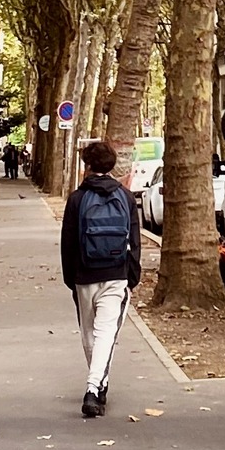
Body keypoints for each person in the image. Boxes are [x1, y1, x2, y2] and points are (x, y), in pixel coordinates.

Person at [60, 138, 142, 418]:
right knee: (106, 333)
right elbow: (134, 240)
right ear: (111, 165)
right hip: (116, 274)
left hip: (84, 275)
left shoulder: (77, 198)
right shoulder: (126, 197)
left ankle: (94, 386)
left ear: (87, 165)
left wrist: (71, 279)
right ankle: (96, 386)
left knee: (89, 334)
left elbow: (68, 242)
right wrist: (132, 276)